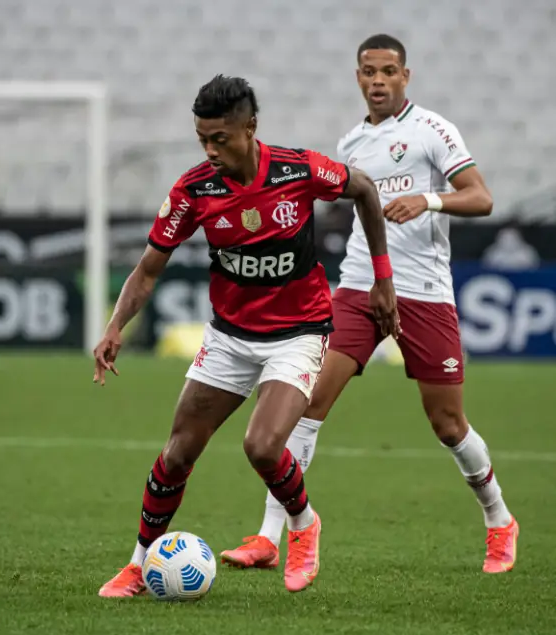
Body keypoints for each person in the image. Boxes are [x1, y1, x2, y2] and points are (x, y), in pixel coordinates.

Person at [222, 34, 518, 575]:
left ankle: (499, 520)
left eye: (387, 71)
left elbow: (482, 197)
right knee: (307, 405)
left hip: (424, 293)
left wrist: (427, 200)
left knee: (448, 423)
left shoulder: (433, 130)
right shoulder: (351, 142)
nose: (377, 81)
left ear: (406, 76)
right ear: (357, 77)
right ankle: (268, 536)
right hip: (359, 286)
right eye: (367, 72)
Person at [95, 74, 398, 596]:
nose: (210, 151)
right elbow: (147, 269)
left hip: (298, 331)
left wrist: (383, 278)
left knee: (262, 445)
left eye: (220, 139)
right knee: (177, 455)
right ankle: (140, 564)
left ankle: (304, 527)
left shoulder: (298, 170)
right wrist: (116, 325)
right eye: (202, 140)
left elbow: (365, 189)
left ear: (250, 127)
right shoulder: (194, 190)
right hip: (230, 336)